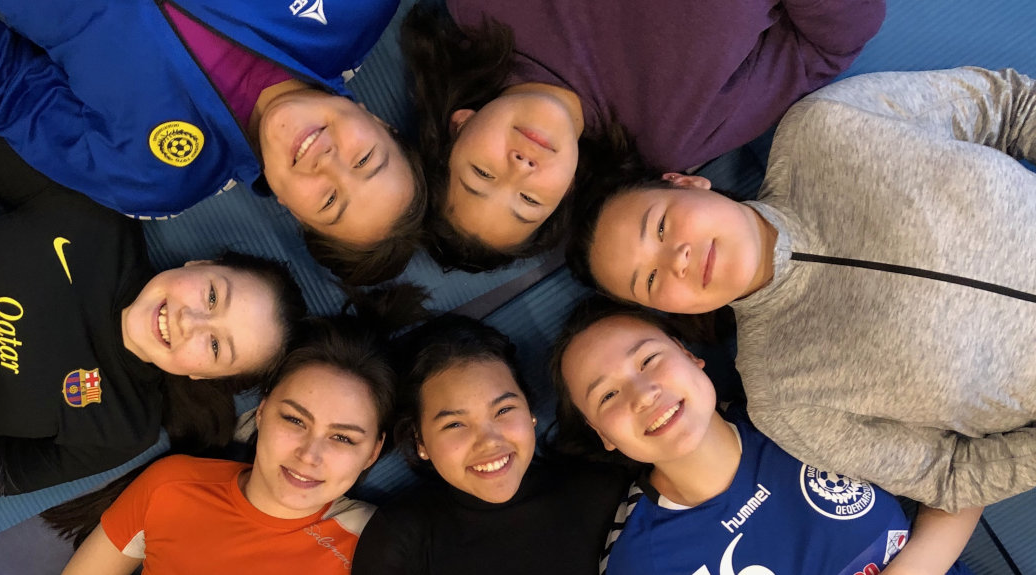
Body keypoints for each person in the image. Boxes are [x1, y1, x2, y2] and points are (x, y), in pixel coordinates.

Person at [567, 67, 1036, 512]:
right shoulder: (783, 396)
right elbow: (947, 475)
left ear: (686, 183)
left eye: (662, 227)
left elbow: (1010, 105)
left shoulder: (824, 127)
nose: (677, 260)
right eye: (650, 281)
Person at [0, 106, 307, 497]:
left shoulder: (124, 429)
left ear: (204, 376)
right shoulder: (98, 218)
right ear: (200, 264)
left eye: (216, 346)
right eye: (212, 295)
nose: (190, 321)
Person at [0, 0, 425, 285]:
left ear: (291, 211)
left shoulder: (152, 178)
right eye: (366, 159)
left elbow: (7, 84)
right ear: (383, 124)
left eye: (329, 201)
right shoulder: (356, 9)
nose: (331, 164)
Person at [401, 0, 883, 271]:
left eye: (482, 174)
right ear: (566, 191)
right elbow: (820, 52)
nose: (520, 168)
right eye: (529, 200)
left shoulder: (478, 9)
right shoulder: (672, 135)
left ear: (459, 124)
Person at [552, 298, 977, 575]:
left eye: (648, 359)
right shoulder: (641, 562)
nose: (643, 395)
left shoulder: (799, 406)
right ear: (602, 434)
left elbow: (965, 469)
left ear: (689, 355)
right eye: (607, 395)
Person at [42, 311, 400, 575]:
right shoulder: (172, 485)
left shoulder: (379, 545)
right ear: (262, 412)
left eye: (342, 438)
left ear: (372, 452)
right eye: (294, 420)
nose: (309, 455)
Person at [351, 315, 629, 575]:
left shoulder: (606, 492)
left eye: (503, 410)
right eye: (454, 424)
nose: (489, 441)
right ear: (419, 441)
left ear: (530, 411)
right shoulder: (399, 538)